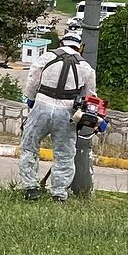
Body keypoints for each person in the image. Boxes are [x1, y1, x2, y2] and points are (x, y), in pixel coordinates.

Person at [18, 30, 96, 202]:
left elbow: (32, 81)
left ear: (61, 43)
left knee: (29, 147)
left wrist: (30, 99)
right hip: (67, 113)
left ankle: (31, 188)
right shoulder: (87, 68)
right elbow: (91, 98)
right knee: (64, 154)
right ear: (80, 47)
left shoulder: (46, 57)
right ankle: (59, 194)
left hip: (41, 106)